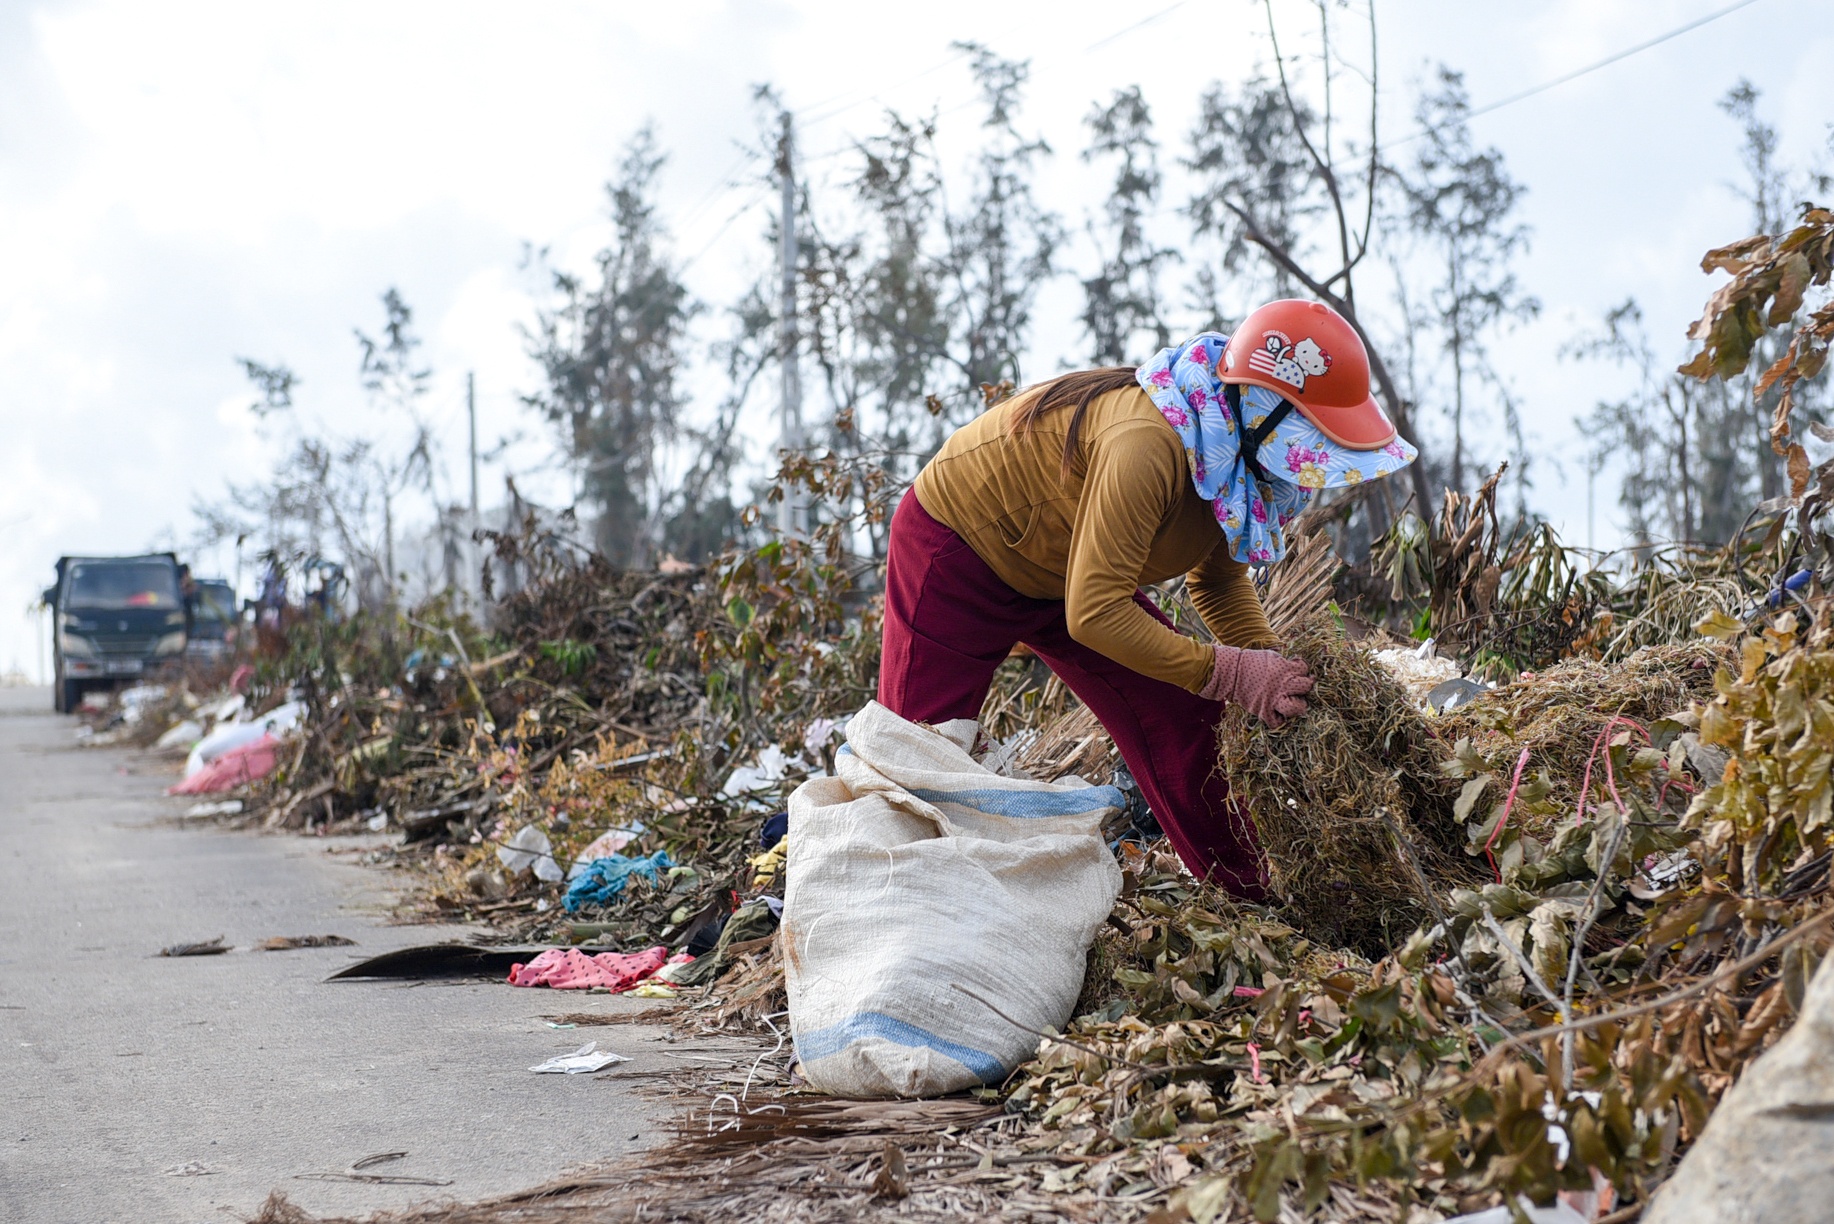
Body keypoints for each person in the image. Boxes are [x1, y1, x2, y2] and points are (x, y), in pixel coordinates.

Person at [878, 299, 1418, 896]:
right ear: (1267, 411)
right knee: (916, 760)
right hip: (962, 552)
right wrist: (1228, 671)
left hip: (1072, 574)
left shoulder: (1233, 463)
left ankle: (1252, 889)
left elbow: (1215, 582)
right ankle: (893, 903)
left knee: (1188, 720)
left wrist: (1271, 665)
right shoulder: (1149, 445)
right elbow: (1096, 613)